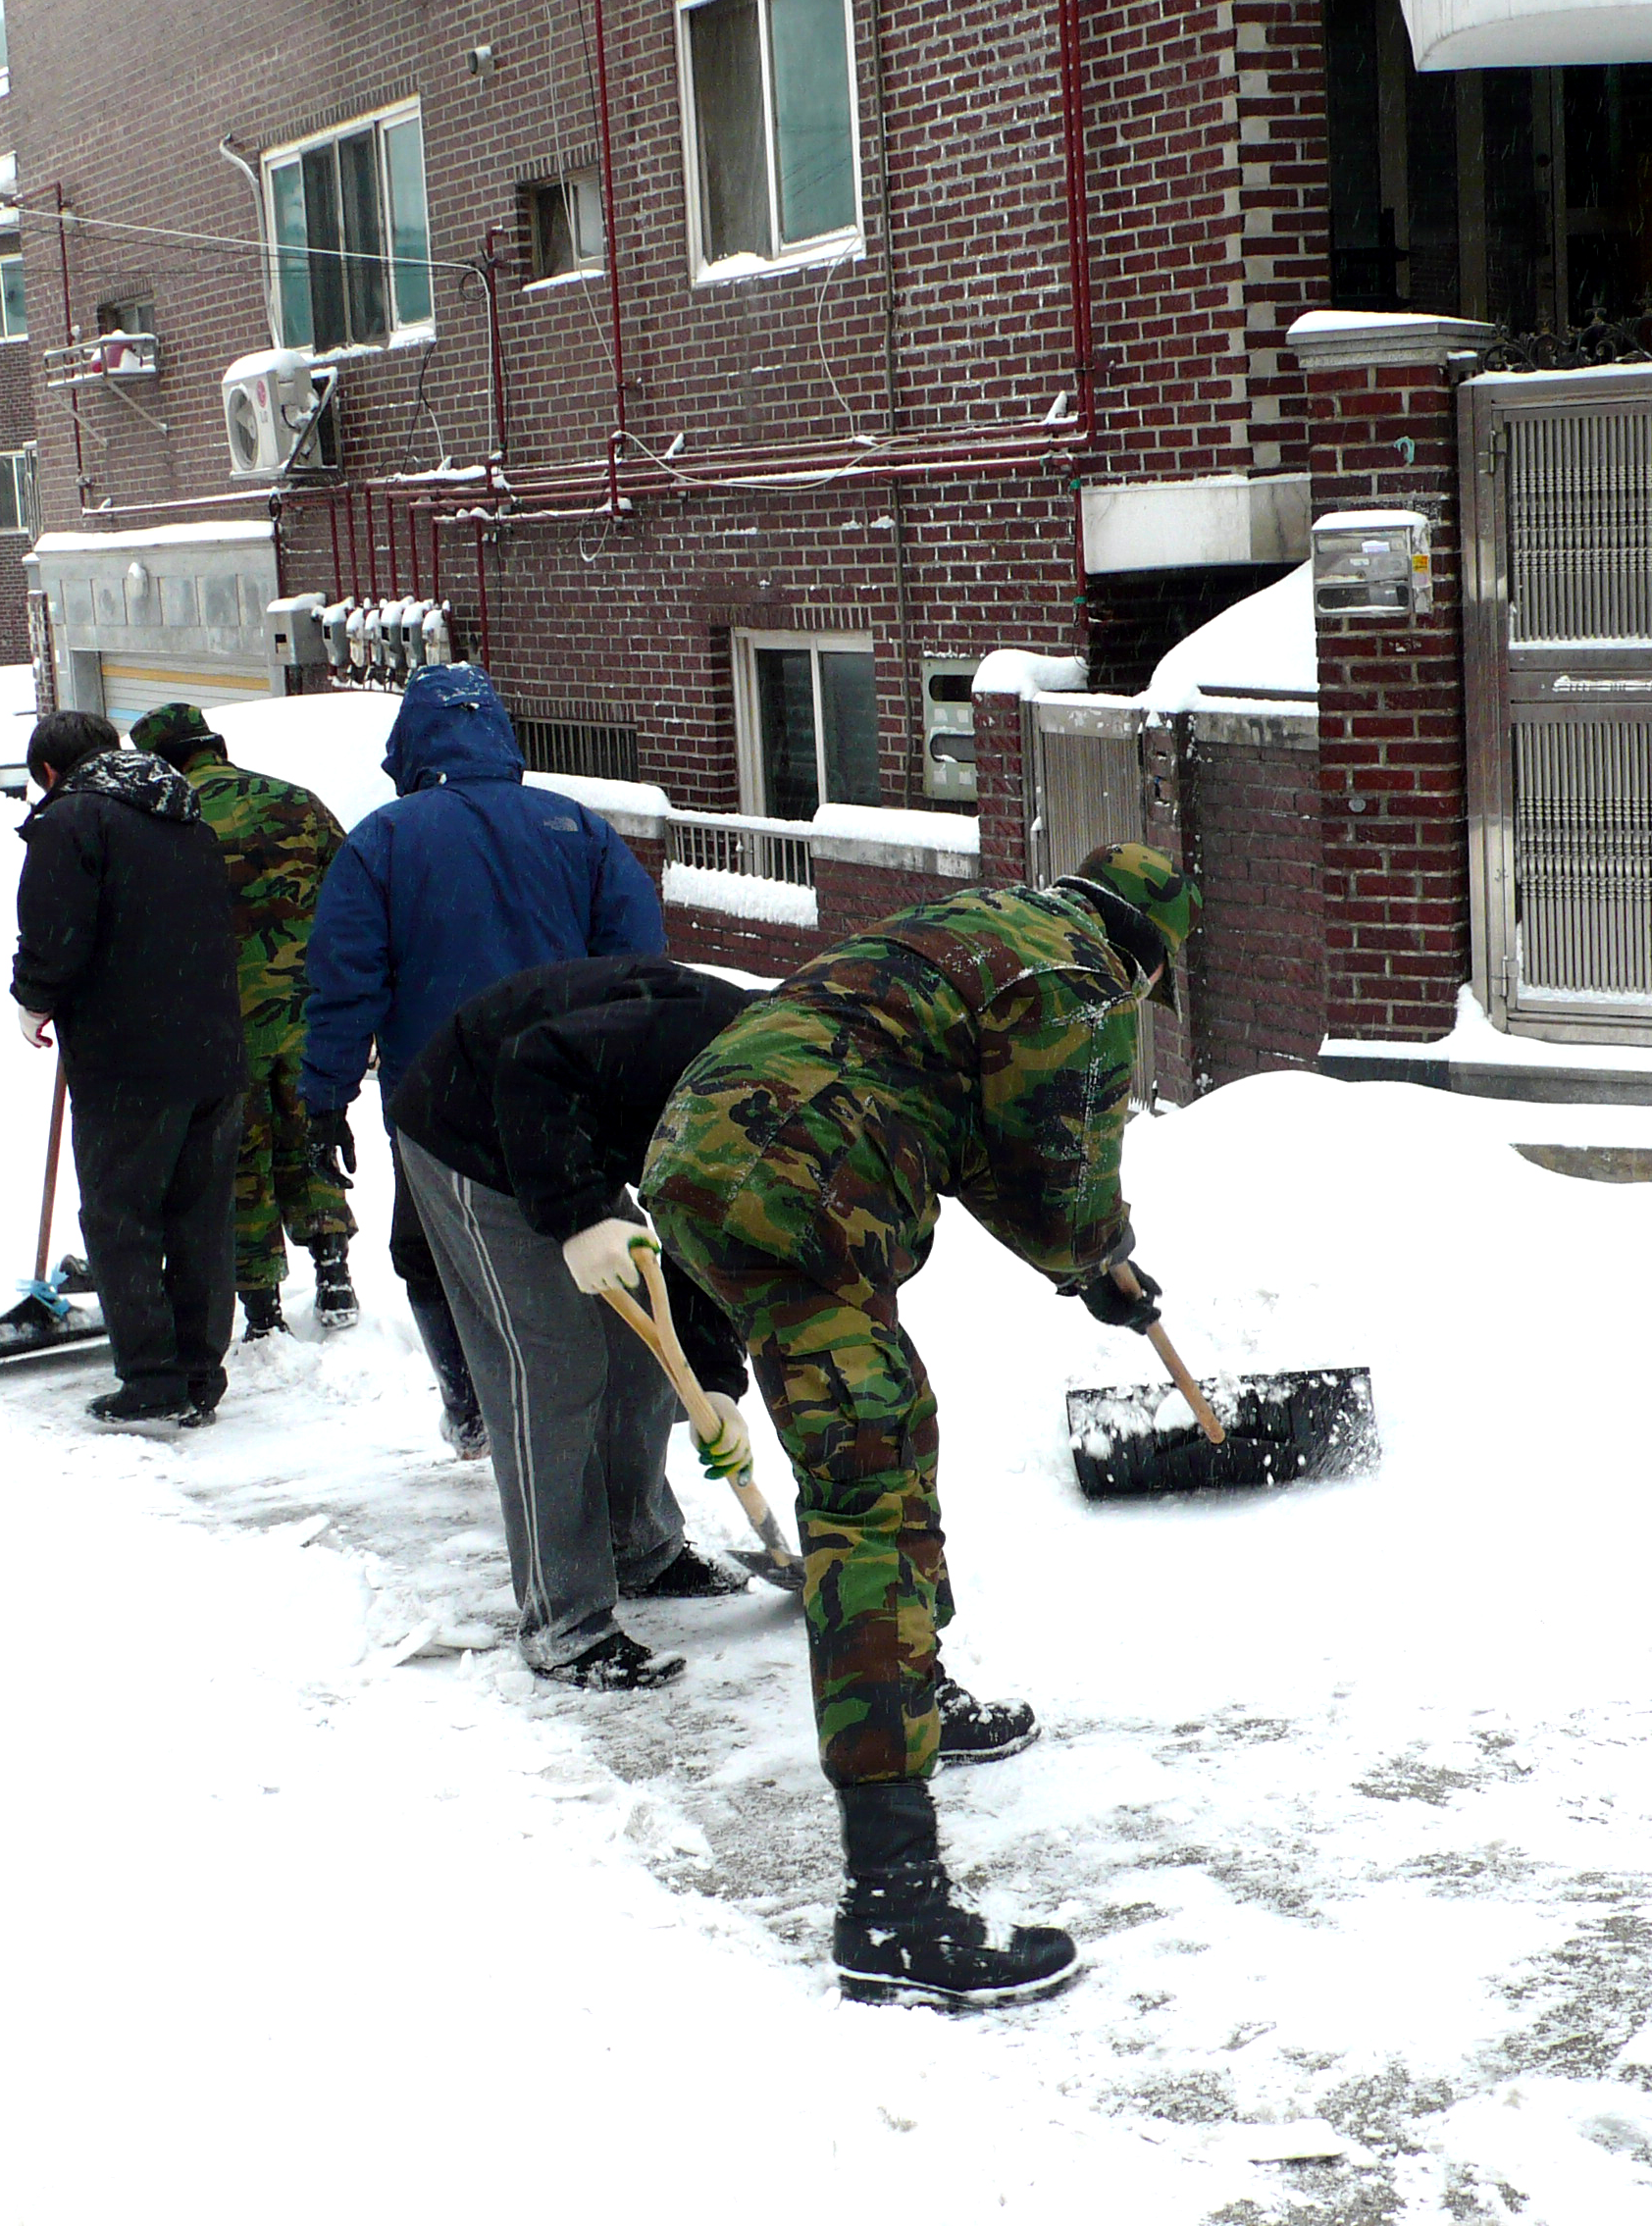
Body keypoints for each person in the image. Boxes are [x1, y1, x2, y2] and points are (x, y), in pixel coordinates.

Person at [642, 840, 1201, 2010]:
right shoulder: (1081, 979)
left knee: (892, 1428)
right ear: (1151, 959)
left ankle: (921, 1694)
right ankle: (891, 1907)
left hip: (705, 1150)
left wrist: (1090, 1271)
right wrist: (1094, 1255)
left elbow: (973, 1128)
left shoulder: (988, 930)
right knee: (870, 1500)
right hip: (802, 1187)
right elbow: (1058, 1169)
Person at [298, 663, 664, 1455]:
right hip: (569, 1091)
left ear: (409, 746)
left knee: (431, 1252)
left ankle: (472, 1408)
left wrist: (324, 1096)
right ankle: (606, 1411)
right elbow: (639, 963)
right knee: (577, 1232)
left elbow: (344, 981)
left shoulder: (384, 842)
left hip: (439, 1102)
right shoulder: (577, 828)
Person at [387, 955, 764, 1687]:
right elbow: (534, 1065)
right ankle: (565, 1621)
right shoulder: (695, 1037)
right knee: (554, 1363)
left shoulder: (775, 1099)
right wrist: (580, 1217)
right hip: (472, 1129)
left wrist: (716, 1381)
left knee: (637, 1345)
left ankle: (640, 1546)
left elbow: (697, 1230)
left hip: (564, 1139)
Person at [11, 710, 248, 1430]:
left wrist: (32, 1000)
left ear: (50, 773)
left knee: (123, 1216)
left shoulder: (72, 819)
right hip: (214, 1050)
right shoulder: (185, 813)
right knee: (200, 1215)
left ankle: (150, 1378)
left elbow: (55, 932)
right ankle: (200, 1373)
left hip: (128, 1060)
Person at [130, 701, 360, 1342]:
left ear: (160, 761)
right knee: (308, 1131)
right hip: (308, 1011)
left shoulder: (167, 818)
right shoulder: (296, 801)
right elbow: (351, 891)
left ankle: (263, 1306)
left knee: (240, 1154)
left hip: (220, 1020)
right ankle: (333, 1267)